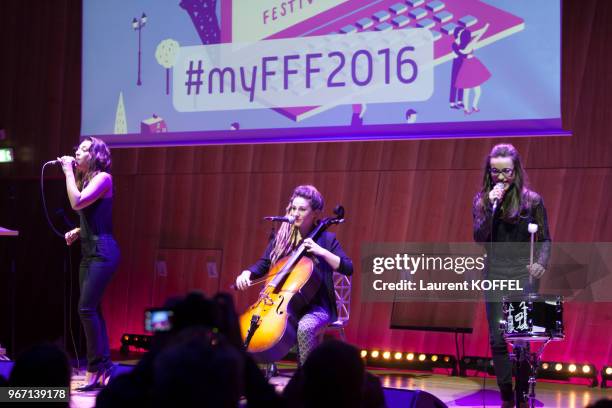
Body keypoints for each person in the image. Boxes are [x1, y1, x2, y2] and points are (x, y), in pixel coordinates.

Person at [235, 185, 353, 365]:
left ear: (315, 214)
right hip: (284, 305)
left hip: (317, 307)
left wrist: (321, 252)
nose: (296, 213)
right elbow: (264, 263)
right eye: (293, 208)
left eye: (302, 209)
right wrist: (247, 273)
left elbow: (347, 267)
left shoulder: (327, 240)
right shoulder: (283, 238)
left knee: (304, 327)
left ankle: (306, 376)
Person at [472, 144, 551, 408]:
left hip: (522, 274)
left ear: (515, 171)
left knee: (520, 339)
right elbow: (479, 237)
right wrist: (490, 206)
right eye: (495, 172)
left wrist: (541, 262)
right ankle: (506, 396)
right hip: (494, 273)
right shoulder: (483, 200)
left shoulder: (532, 201)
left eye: (506, 171)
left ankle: (523, 397)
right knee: (497, 338)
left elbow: (545, 239)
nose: (501, 177)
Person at [58, 137, 120, 391]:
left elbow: (77, 202)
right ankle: (102, 367)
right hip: (89, 250)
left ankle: (96, 368)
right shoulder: (87, 179)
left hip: (103, 251)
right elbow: (92, 215)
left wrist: (67, 172)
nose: (77, 152)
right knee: (93, 310)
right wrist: (77, 229)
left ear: (95, 155)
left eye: (83, 149)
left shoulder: (104, 178)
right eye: (78, 149)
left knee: (86, 309)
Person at [455, 23, 491, 114]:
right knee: (476, 91)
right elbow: (479, 35)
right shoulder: (469, 45)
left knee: (467, 91)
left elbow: (461, 37)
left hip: (466, 66)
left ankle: (467, 109)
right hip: (472, 65)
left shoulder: (459, 44)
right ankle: (472, 107)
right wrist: (485, 27)